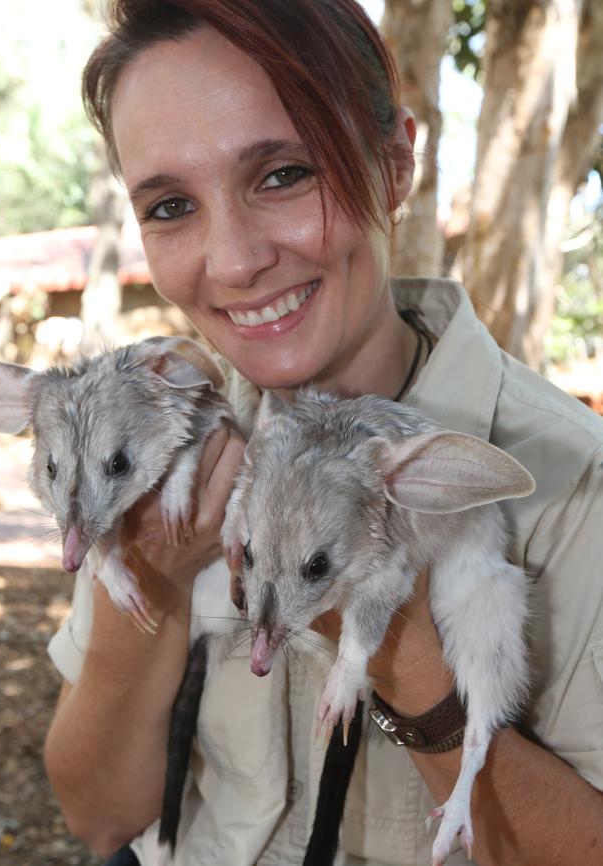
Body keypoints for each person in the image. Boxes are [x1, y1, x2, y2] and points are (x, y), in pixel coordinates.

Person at [44, 1, 603, 864]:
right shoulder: (163, 444)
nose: (231, 262)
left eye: (282, 175)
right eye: (168, 206)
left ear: (393, 166)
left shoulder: (571, 482)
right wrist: (150, 581)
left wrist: (411, 661)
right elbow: (100, 816)